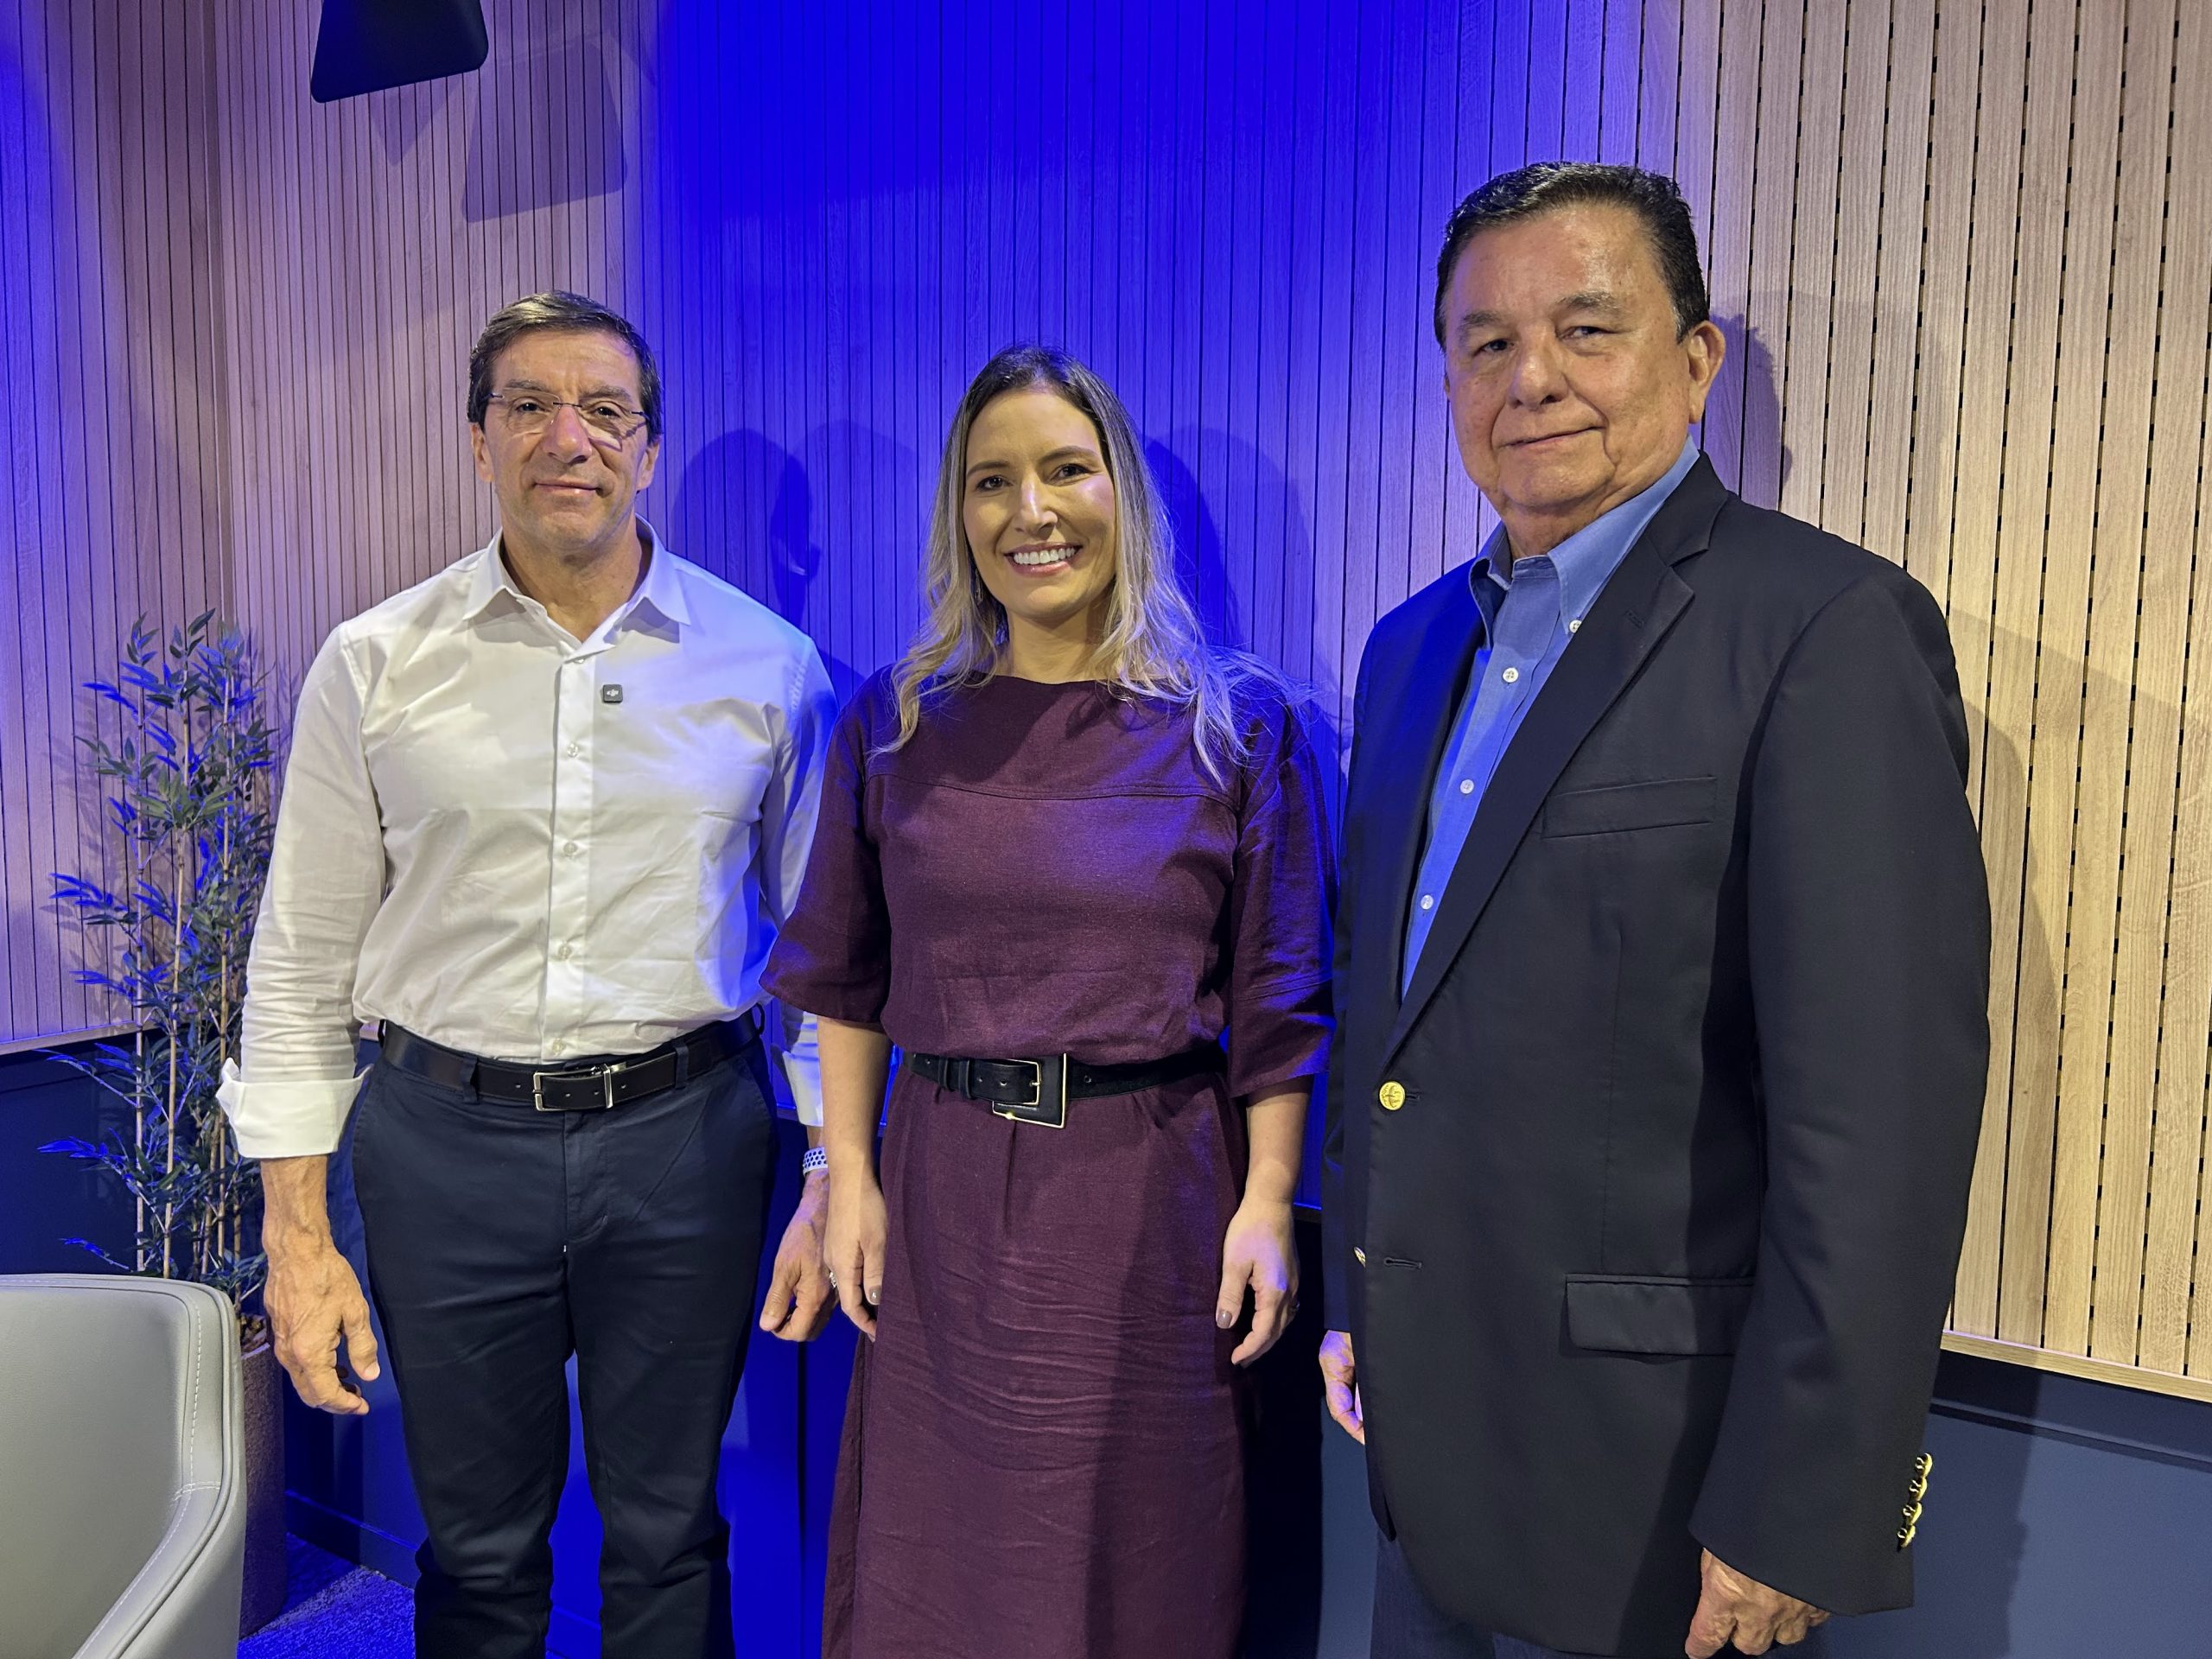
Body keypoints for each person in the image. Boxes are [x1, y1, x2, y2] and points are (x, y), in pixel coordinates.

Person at [1319, 163, 1991, 1659]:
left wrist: (1801, 1504)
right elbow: (1384, 1006)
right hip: (1421, 1451)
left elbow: (1877, 1124)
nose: (1531, 379)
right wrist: (1355, 1289)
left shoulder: (1822, 630)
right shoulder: (1409, 651)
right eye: (1488, 343)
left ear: (1694, 365)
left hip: (1657, 1488)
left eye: (1586, 329)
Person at [219, 291, 841, 1659]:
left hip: (688, 1144)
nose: (572, 438)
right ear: (480, 440)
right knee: (478, 1552)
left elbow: (822, 958)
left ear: (648, 448)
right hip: (445, 1147)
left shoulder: (771, 670)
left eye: (607, 410)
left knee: (670, 1538)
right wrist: (296, 1240)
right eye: (531, 407)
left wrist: (828, 1170)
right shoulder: (374, 665)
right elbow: (302, 958)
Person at [762, 345, 1333, 1659]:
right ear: (958, 517)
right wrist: (847, 1175)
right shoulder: (897, 723)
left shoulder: (1236, 727)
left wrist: (1266, 1202)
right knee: (936, 1561)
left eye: (1067, 470)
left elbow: (1280, 999)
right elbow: (846, 979)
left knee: (1145, 1555)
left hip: (1154, 1198)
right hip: (944, 1193)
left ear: (1120, 491)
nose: (1032, 511)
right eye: (992, 481)